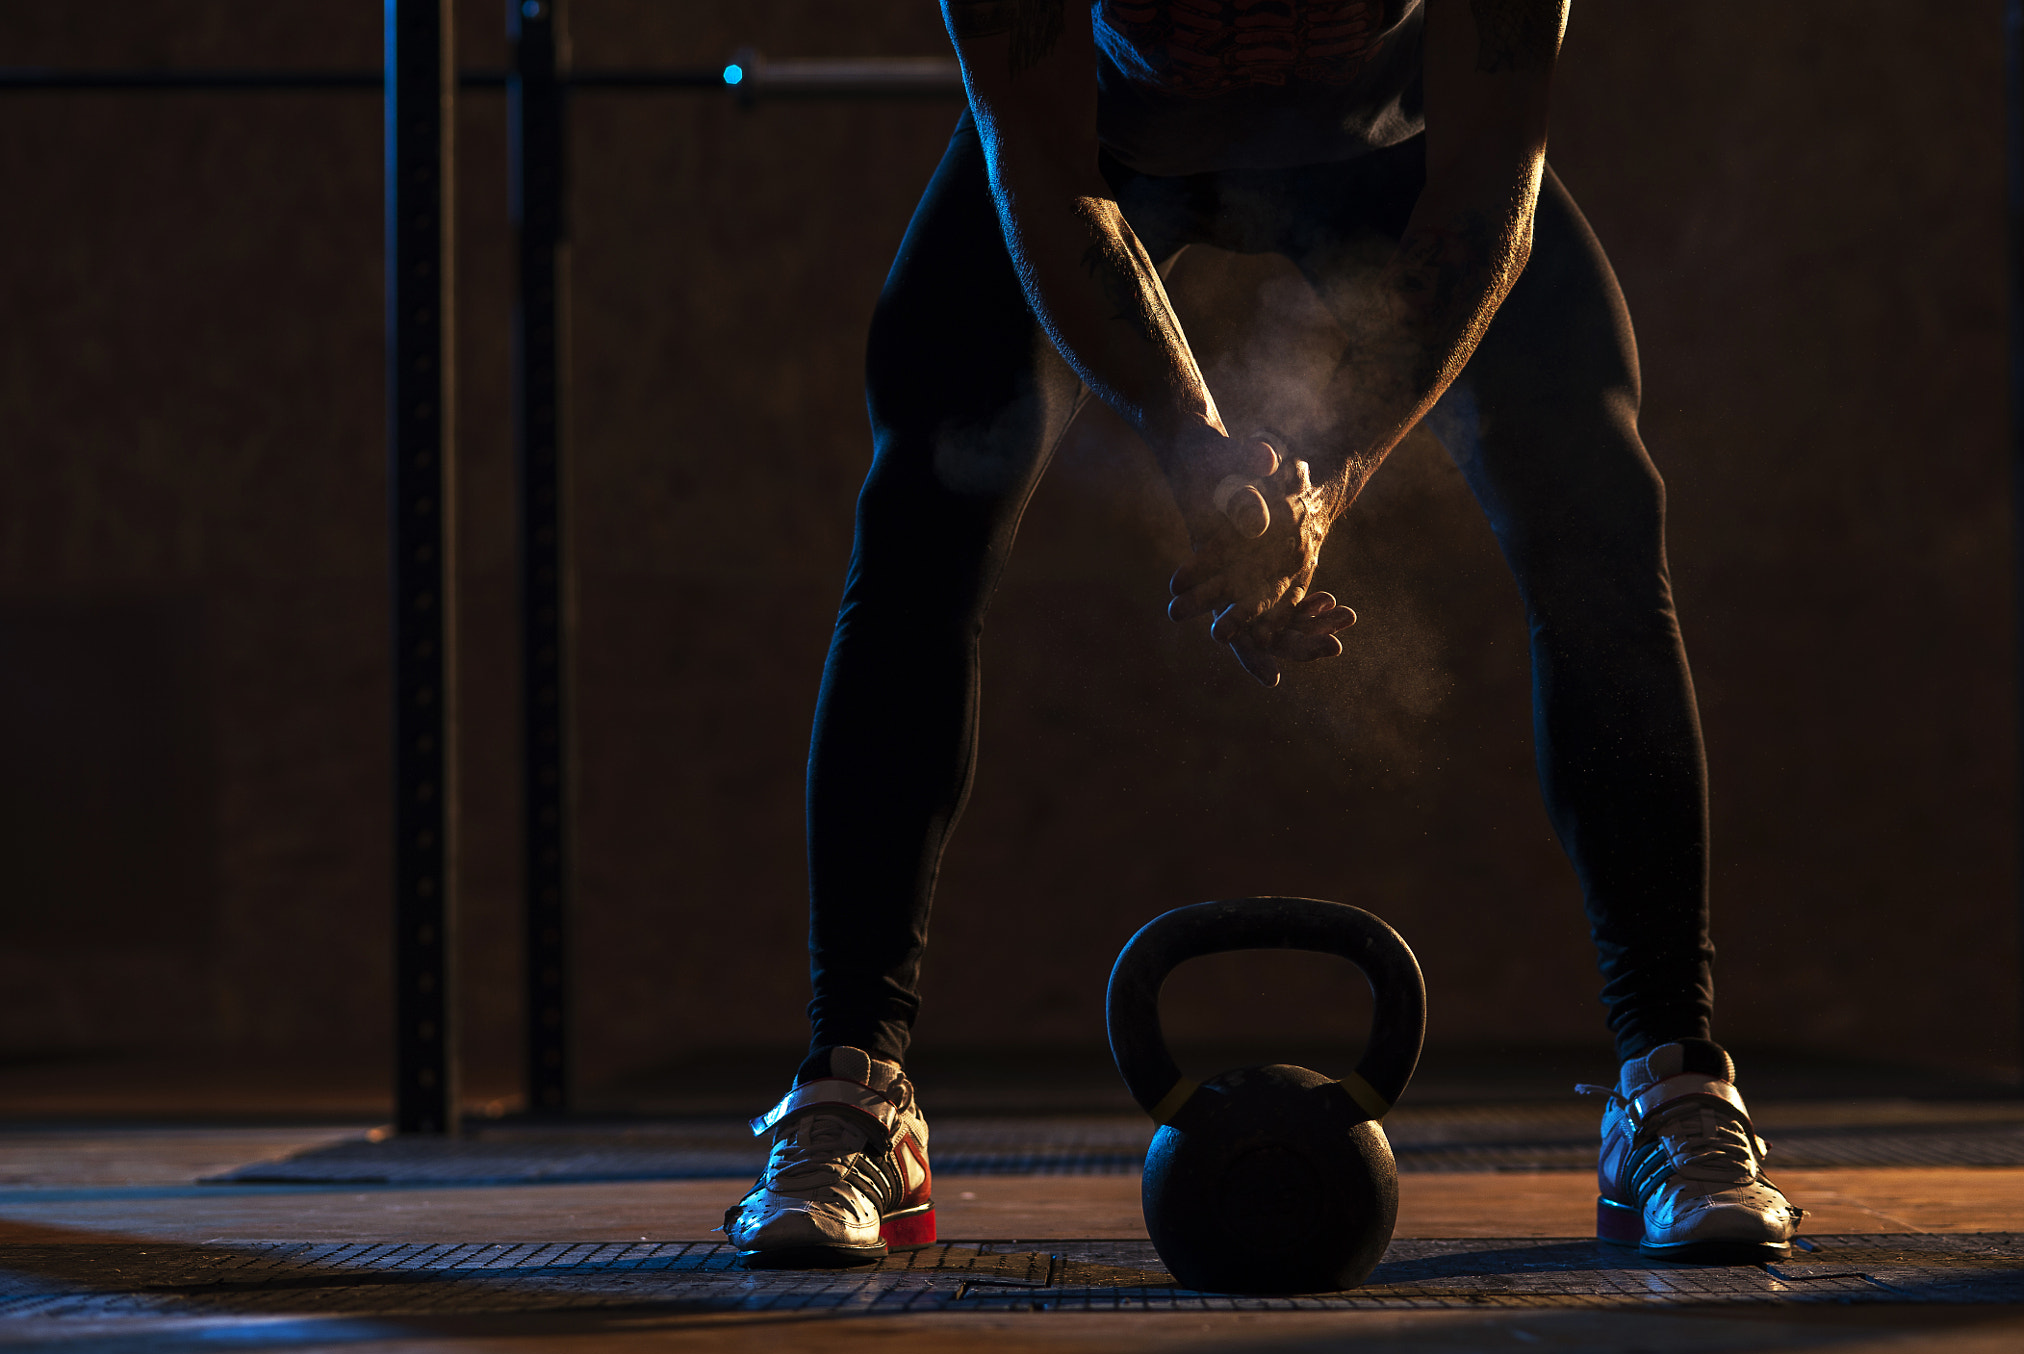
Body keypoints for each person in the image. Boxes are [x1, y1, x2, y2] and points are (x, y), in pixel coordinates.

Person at [722, 0, 1801, 1267]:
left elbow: (1480, 181)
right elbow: (1054, 178)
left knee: (1597, 511)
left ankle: (1668, 1088)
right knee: (924, 503)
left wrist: (1320, 481)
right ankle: (855, 1096)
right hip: (1097, 155)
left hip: (1400, 157)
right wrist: (1196, 447)